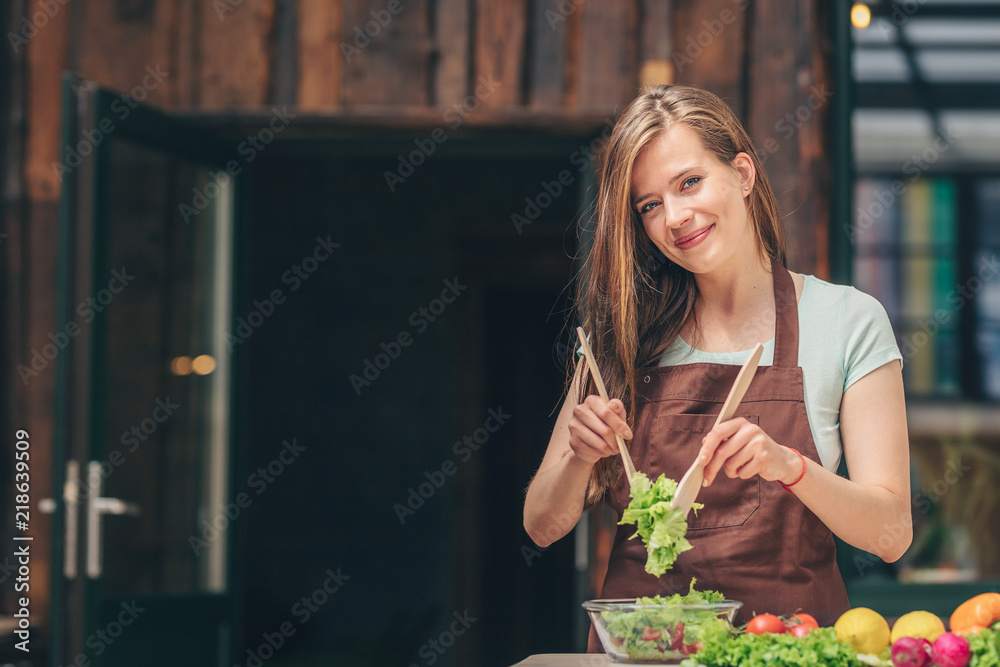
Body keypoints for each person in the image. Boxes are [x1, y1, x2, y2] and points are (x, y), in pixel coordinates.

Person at [522, 84, 912, 652]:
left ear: (744, 175)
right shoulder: (621, 340)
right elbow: (542, 525)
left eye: (689, 182)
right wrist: (582, 456)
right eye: (649, 205)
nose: (675, 217)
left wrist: (789, 466)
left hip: (787, 656)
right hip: (645, 659)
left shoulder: (848, 320)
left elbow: (892, 534)